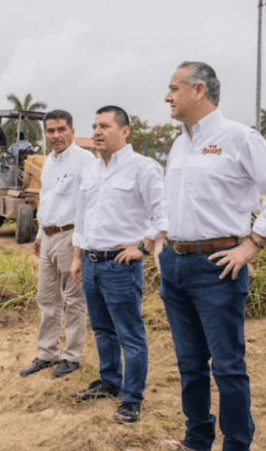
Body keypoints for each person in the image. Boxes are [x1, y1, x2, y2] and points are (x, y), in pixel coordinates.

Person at [159, 61, 266, 451]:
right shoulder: (180, 142)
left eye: (174, 88)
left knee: (227, 367)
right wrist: (161, 249)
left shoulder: (239, 137)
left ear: (198, 90)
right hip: (175, 264)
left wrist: (253, 244)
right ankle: (197, 439)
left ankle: (237, 444)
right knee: (189, 365)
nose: (167, 97)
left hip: (217, 266)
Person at [70, 105, 167, 424]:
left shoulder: (143, 168)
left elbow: (162, 214)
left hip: (120, 266)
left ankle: (132, 397)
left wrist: (143, 246)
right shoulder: (90, 171)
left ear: (125, 131)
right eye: (95, 125)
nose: (97, 132)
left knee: (130, 333)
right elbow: (81, 219)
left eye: (105, 126)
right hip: (92, 263)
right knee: (101, 329)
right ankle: (109, 381)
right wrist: (77, 257)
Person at [19, 110, 94, 378]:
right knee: (47, 298)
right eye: (51, 131)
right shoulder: (48, 162)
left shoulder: (85, 161)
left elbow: (88, 206)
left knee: (74, 299)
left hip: (71, 236)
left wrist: (79, 247)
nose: (56, 135)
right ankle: (47, 353)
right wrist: (39, 235)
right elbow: (47, 200)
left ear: (72, 131)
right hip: (49, 236)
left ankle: (71, 356)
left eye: (62, 129)